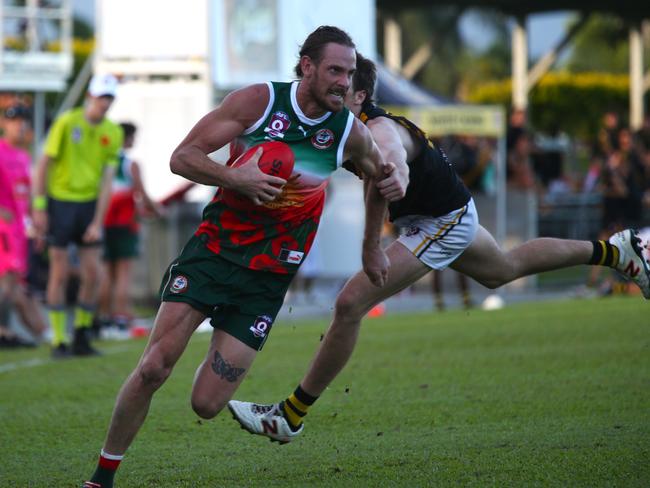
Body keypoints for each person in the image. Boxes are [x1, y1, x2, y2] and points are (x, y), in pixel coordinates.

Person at [227, 52, 650, 444]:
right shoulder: (341, 128)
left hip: (440, 220)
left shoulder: (379, 128)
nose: (329, 91)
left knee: (350, 303)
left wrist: (387, 204)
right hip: (446, 212)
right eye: (327, 80)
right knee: (501, 269)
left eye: (341, 84)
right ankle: (616, 253)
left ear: (361, 96)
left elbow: (390, 159)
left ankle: (290, 415)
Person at [82, 26, 406, 488]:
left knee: (207, 404)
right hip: (214, 253)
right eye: (335, 70)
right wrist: (237, 179)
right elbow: (183, 157)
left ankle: (216, 338)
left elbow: (380, 176)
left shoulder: (349, 133)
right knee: (155, 365)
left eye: (350, 72)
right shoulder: (258, 102)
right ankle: (101, 477)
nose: (344, 81)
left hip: (267, 279)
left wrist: (371, 245)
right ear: (308, 67)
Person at [32, 73, 123, 357]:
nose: (104, 103)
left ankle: (82, 334)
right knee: (58, 273)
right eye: (101, 97)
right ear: (90, 96)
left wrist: (98, 220)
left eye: (109, 98)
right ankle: (59, 339)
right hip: (60, 203)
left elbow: (107, 181)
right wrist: (39, 206)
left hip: (89, 205)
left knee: (93, 274)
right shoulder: (67, 122)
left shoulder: (113, 132)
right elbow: (44, 164)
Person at [96, 122, 160, 337]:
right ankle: (121, 316)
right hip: (124, 223)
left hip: (104, 223)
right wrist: (157, 210)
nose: (135, 141)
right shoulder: (131, 163)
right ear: (126, 138)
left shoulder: (103, 162)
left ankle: (104, 317)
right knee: (124, 273)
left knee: (107, 272)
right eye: (133, 137)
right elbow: (142, 193)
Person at [0, 104, 46, 347]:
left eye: (23, 120)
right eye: (14, 119)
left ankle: (36, 332)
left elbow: (28, 194)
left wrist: (35, 224)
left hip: (19, 229)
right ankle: (4, 331)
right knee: (7, 280)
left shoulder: (23, 156)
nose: (19, 124)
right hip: (3, 227)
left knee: (15, 284)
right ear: (4, 123)